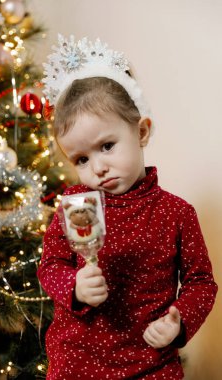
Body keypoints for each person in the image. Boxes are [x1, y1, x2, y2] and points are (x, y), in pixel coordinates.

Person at [38, 35, 218, 380]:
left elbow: (201, 282)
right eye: (81, 158)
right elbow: (51, 264)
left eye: (107, 146)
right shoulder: (74, 208)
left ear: (142, 132)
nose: (98, 168)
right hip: (77, 361)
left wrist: (178, 319)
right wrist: (73, 286)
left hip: (150, 363)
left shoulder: (177, 213)